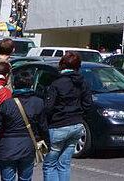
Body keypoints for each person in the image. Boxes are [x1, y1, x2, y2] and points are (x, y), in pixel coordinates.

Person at [0, 68, 49, 181]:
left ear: (14, 85)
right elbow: (43, 127)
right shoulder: (38, 102)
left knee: (7, 179)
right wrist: (47, 144)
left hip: (7, 147)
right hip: (28, 146)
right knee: (25, 178)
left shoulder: (6, 104)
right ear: (31, 85)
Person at [44, 52, 93, 180]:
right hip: (77, 124)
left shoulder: (57, 83)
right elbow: (88, 104)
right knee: (64, 164)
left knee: (50, 164)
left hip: (58, 125)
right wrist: (79, 114)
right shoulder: (83, 82)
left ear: (62, 64)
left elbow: (48, 108)